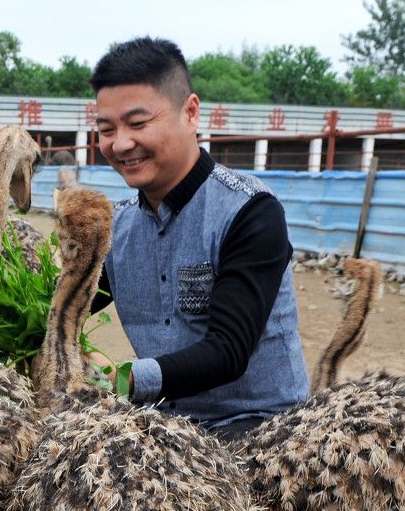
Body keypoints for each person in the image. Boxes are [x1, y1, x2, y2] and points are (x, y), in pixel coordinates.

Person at [89, 37, 308, 442]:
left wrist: (118, 379)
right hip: (166, 428)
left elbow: (228, 351)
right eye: (106, 129)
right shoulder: (113, 228)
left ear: (190, 113)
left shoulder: (249, 211)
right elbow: (60, 306)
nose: (120, 143)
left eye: (137, 124)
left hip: (258, 427)